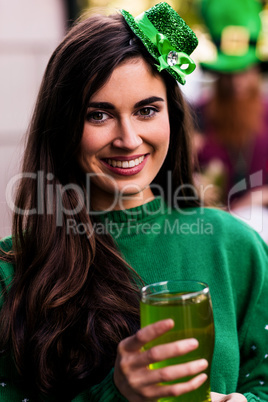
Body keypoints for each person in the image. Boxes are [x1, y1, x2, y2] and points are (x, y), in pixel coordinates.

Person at [0, 2, 268, 401]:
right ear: (62, 126)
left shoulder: (236, 248)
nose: (128, 139)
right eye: (99, 115)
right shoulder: (14, 274)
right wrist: (115, 394)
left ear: (172, 118)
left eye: (146, 110)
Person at [193, 0, 268, 212]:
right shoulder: (197, 115)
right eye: (228, 74)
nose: (236, 82)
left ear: (256, 70)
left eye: (243, 71)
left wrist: (258, 197)